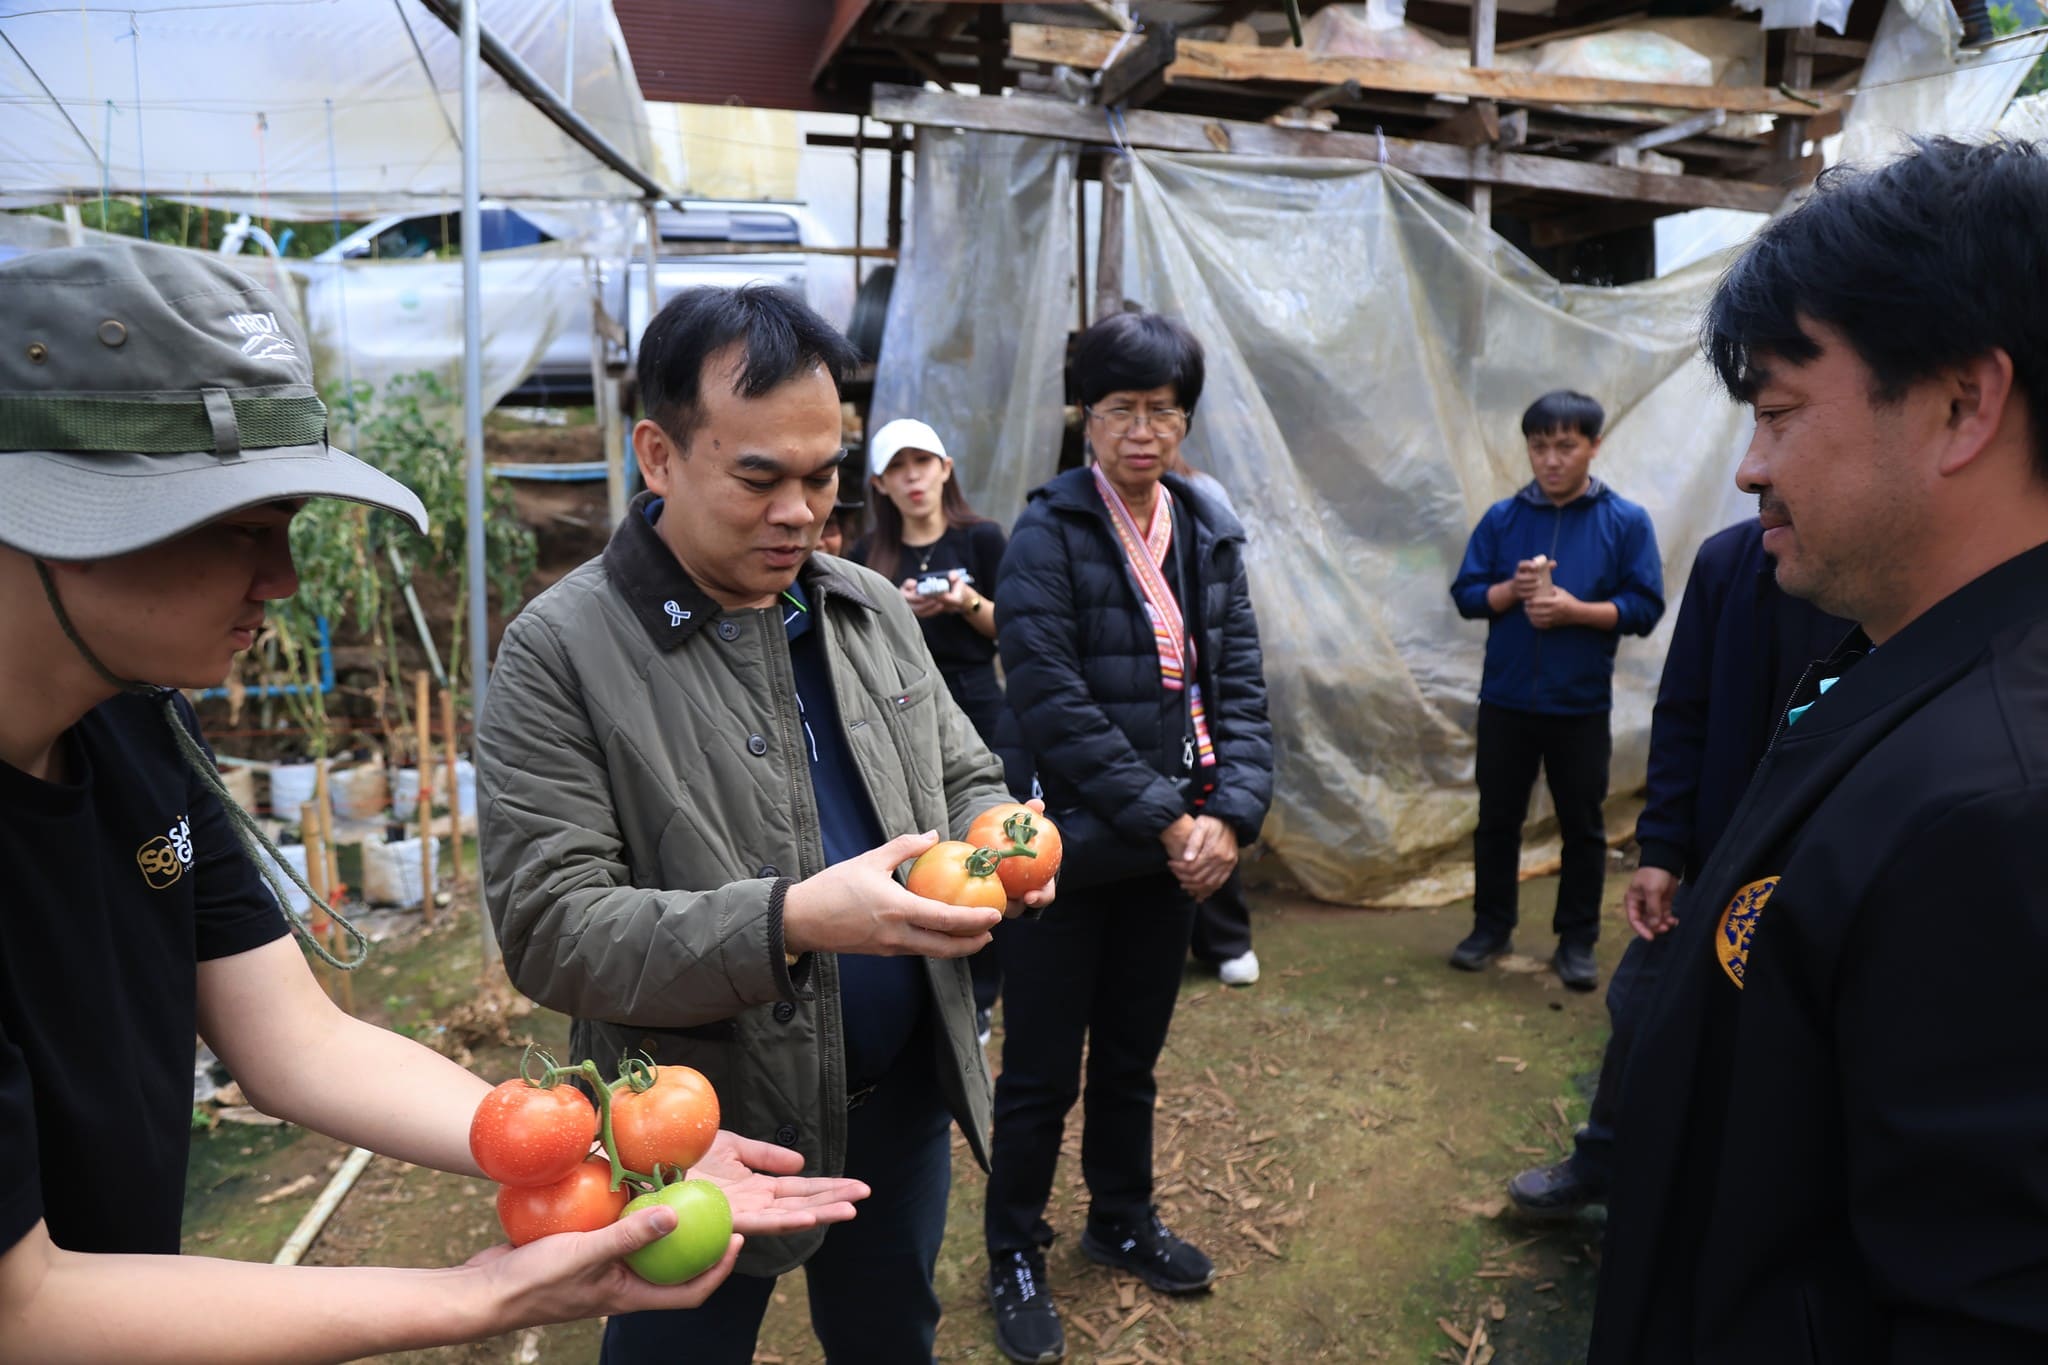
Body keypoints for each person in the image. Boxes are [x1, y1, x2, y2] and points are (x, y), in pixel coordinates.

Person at [0, 243, 867, 1362]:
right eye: (240, 527)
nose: (283, 579)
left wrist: (585, 1148)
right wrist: (479, 1296)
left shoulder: (135, 730)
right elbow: (25, 1306)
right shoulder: (565, 644)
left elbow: (294, 1041)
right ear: (58, 518)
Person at [475, 284, 1054, 1365]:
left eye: (824, 476)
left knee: (891, 1331)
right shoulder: (560, 651)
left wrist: (993, 831)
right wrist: (790, 921)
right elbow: (553, 928)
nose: (802, 513)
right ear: (657, 455)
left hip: (895, 1098)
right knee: (674, 1353)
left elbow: (960, 768)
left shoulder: (864, 606)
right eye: (759, 479)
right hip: (688, 1126)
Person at [1592, 137, 2048, 1362]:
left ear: (1960, 406)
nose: (1750, 467)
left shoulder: (1999, 807)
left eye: (1778, 414)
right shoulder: (1893, 660)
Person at [984, 311, 1273, 1364]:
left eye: (1161, 409)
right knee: (1037, 1073)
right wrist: (1171, 816)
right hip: (1065, 852)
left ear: (1183, 417)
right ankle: (1013, 1250)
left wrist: (1229, 817)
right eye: (1120, 409)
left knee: (1130, 1061)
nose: (1142, 430)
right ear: (1085, 416)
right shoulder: (1047, 533)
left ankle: (1119, 1216)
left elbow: (1241, 687)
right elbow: (1050, 699)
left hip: (1168, 857)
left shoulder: (1205, 529)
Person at [1505, 518, 1846, 1216]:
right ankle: (1603, 1159)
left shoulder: (1892, 570)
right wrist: (1662, 849)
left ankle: (1729, 1201)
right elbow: (1684, 709)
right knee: (1643, 1007)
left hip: (1827, 864)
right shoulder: (1729, 563)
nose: (1755, 471)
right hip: (1720, 856)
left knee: (1780, 1042)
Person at [1448, 392, 1664, 991]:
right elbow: (1466, 595)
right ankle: (1490, 928)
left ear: (1594, 447)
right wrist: (1508, 592)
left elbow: (1644, 607)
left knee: (1582, 825)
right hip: (1506, 700)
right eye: (1539, 446)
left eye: (1565, 446)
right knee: (1497, 820)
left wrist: (1577, 611)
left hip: (1580, 704)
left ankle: (1576, 940)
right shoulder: (1503, 519)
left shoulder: (1625, 521)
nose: (1550, 460)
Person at [851, 417, 1010, 1038]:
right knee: (916, 843)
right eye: (897, 468)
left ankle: (982, 991)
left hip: (978, 703)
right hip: (897, 714)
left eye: (922, 463)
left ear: (946, 468)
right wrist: (901, 611)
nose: (912, 478)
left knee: (982, 844)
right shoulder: (867, 556)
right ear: (879, 484)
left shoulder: (982, 538)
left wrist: (965, 602)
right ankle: (917, 980)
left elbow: (1015, 630)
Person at [1165, 450, 1261, 989]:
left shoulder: (1204, 494)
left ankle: (1225, 939)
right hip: (1143, 685)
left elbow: (1227, 576)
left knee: (1209, 805)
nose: (1141, 433)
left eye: (1160, 413)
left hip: (1199, 676)